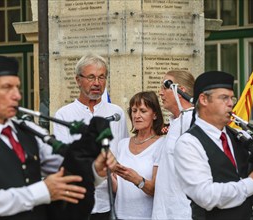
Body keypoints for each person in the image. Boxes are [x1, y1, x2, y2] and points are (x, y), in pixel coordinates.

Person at [0, 55, 116, 219]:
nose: (17, 95)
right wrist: (43, 191)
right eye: (7, 87)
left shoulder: (28, 131)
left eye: (17, 87)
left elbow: (66, 172)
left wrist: (95, 169)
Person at [174, 71, 253, 220]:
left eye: (231, 98)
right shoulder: (188, 143)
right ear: (203, 99)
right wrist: (251, 185)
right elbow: (206, 195)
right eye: (224, 98)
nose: (231, 103)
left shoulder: (240, 136)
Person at [53, 53, 129, 220]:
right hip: (77, 200)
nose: (97, 83)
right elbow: (63, 160)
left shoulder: (116, 113)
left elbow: (123, 151)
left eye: (101, 77)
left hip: (110, 202)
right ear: (78, 80)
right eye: (91, 77)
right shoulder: (64, 115)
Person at [112, 91, 165, 220]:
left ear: (155, 115)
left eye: (143, 111)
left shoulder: (163, 144)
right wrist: (106, 173)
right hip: (120, 215)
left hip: (148, 216)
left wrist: (137, 179)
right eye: (134, 111)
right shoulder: (122, 144)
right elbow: (119, 188)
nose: (137, 115)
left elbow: (157, 191)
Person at [152, 70, 194, 220]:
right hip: (164, 212)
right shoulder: (175, 121)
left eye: (165, 87)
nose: (160, 93)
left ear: (180, 91)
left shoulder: (193, 121)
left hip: (183, 213)